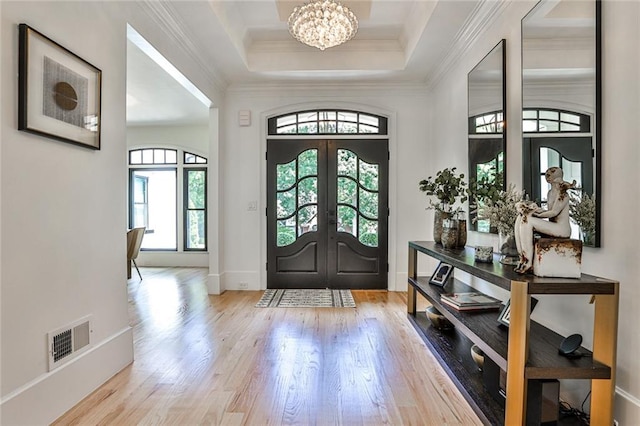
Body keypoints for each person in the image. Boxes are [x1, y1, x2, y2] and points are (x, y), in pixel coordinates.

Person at [514, 167, 576, 274]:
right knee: (521, 218)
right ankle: (522, 258)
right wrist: (534, 210)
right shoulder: (550, 193)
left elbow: (553, 213)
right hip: (553, 226)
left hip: (561, 229)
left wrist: (535, 213)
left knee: (528, 220)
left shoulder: (563, 194)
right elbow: (549, 212)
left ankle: (528, 262)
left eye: (551, 175)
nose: (548, 177)